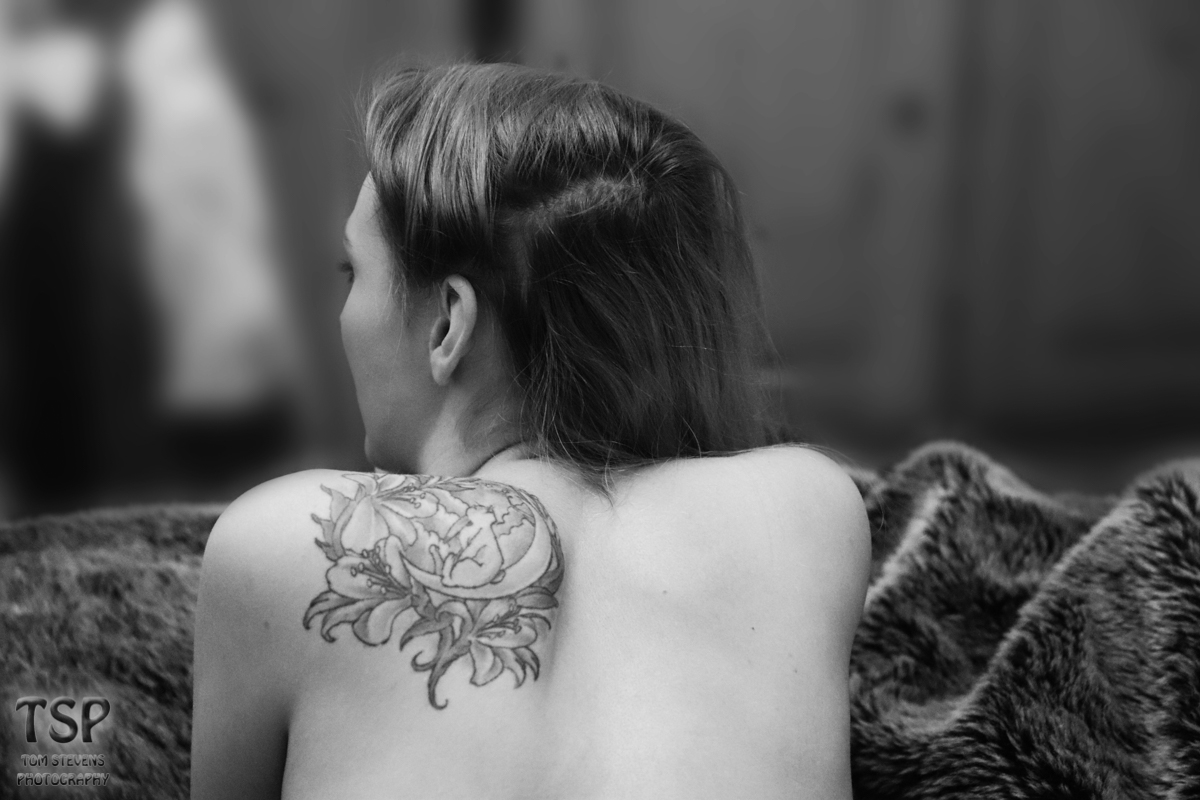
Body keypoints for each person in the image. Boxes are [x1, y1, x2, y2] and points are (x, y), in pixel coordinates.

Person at [191, 62, 871, 800]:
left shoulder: (286, 540)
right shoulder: (808, 507)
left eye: (352, 272)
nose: (343, 311)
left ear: (448, 323)